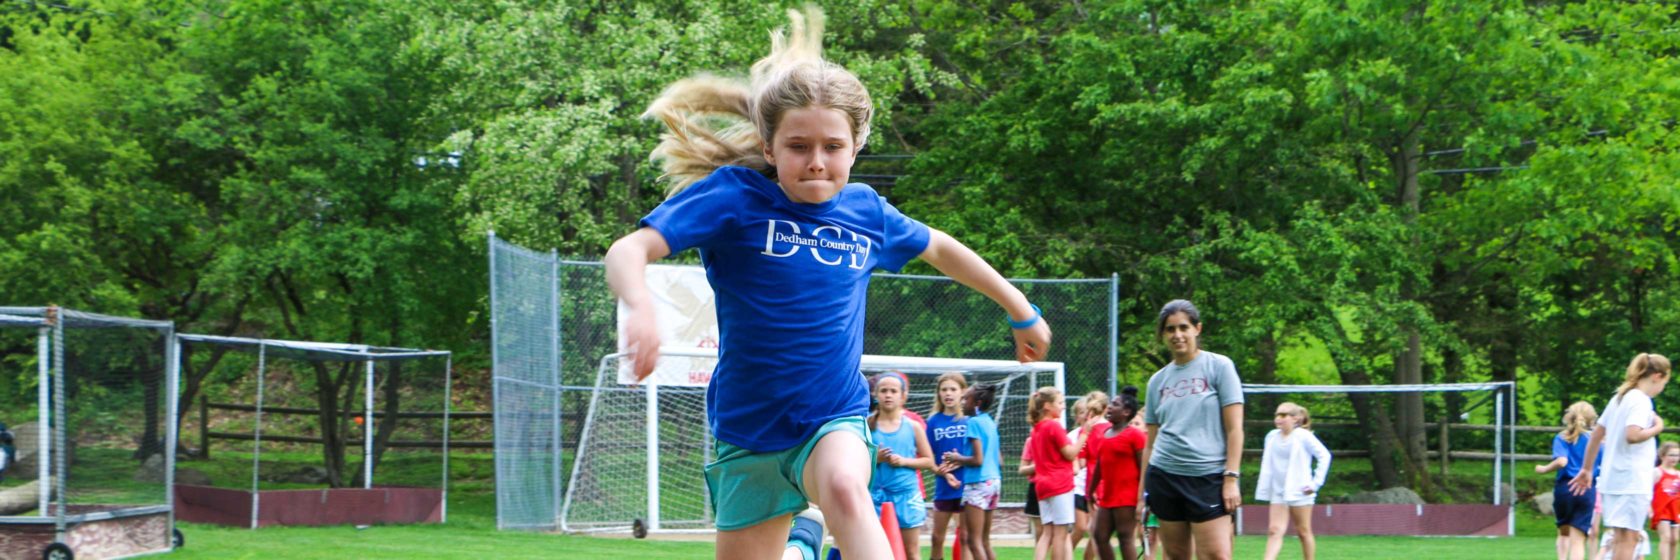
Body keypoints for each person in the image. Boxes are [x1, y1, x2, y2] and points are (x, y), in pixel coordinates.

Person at [605, 5, 1052, 558]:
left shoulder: (867, 213)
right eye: (798, 147)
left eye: (832, 147)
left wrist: (1020, 308)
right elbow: (629, 249)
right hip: (748, 432)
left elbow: (939, 246)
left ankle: (812, 531)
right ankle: (804, 541)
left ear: (855, 148)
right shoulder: (734, 198)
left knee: (844, 486)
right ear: (770, 148)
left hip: (832, 417)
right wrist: (640, 303)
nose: (816, 162)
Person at [1139, 299, 1244, 560]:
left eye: (1183, 327)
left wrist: (1231, 479)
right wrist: (1143, 493)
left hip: (1208, 478)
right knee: (1176, 556)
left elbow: (1235, 430)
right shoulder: (1157, 381)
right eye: (1170, 329)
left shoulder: (1219, 367)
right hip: (1164, 476)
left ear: (1197, 329)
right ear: (1163, 335)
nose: (1177, 335)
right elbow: (1150, 443)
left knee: (1217, 555)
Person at [1571, 353, 1672, 560]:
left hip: (1612, 479)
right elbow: (1633, 435)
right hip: (1632, 481)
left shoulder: (1620, 398)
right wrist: (1658, 427)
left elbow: (1597, 435)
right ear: (1657, 376)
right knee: (1629, 540)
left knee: (1619, 538)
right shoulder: (1641, 401)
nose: (1662, 388)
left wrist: (1587, 468)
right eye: (1665, 382)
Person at [870, 372, 936, 560]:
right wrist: (876, 458)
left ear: (903, 396)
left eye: (893, 391)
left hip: (906, 497)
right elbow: (853, 459)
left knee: (911, 552)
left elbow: (929, 461)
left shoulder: (913, 426)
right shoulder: (867, 424)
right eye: (883, 391)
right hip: (874, 498)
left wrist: (904, 461)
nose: (888, 395)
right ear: (876, 394)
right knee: (874, 552)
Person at [1255, 402, 1331, 560]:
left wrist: (1315, 484)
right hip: (1278, 490)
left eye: (1283, 415)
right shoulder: (1271, 436)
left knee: (1303, 531)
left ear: (1295, 419)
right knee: (1274, 530)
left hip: (1300, 490)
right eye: (1277, 415)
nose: (1278, 419)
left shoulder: (1303, 436)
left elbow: (1325, 456)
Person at [943, 384, 1004, 560]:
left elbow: (978, 460)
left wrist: (956, 458)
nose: (962, 402)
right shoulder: (989, 422)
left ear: (977, 402)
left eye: (966, 399)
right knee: (985, 541)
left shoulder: (973, 423)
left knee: (973, 541)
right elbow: (999, 459)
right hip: (994, 482)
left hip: (978, 484)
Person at [1538, 401, 1603, 560]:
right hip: (1587, 489)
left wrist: (1544, 469)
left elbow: (1562, 461)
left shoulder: (1563, 437)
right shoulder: (1598, 441)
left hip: (1565, 488)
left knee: (1563, 532)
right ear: (1591, 419)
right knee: (1578, 540)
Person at [1088, 387, 1147, 560]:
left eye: (1115, 404)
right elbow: (1100, 463)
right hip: (1108, 496)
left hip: (1127, 496)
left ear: (1126, 412)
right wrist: (1091, 489)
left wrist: (1141, 498)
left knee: (1125, 537)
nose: (1110, 407)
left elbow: (1144, 467)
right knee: (1100, 536)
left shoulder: (1135, 435)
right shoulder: (1105, 433)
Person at [1028, 387, 1082, 560]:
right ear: (1047, 406)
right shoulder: (1053, 426)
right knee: (1060, 534)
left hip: (1042, 486)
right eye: (1060, 403)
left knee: (1047, 533)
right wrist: (1085, 434)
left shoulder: (1036, 429)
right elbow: (1070, 453)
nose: (1063, 406)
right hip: (1060, 485)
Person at [927, 372, 970, 560]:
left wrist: (960, 460)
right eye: (944, 389)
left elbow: (979, 455)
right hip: (944, 486)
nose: (948, 393)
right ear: (939, 394)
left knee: (965, 538)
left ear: (963, 392)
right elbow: (929, 458)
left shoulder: (969, 420)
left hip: (967, 486)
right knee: (936, 538)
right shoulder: (933, 422)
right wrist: (943, 472)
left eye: (953, 389)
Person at [1072, 392, 1109, 560]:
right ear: (1106, 409)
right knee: (1100, 531)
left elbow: (1081, 463)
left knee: (1095, 529)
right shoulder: (1112, 429)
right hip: (1108, 482)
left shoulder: (1085, 432)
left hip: (1091, 483)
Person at [1654, 442, 1680, 560]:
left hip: (1675, 510)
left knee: (1675, 538)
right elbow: (1648, 492)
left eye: (1677, 455)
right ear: (1663, 456)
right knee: (1666, 537)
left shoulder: (1678, 474)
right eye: (1671, 455)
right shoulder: (1657, 472)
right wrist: (1649, 509)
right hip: (1662, 510)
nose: (1674, 458)